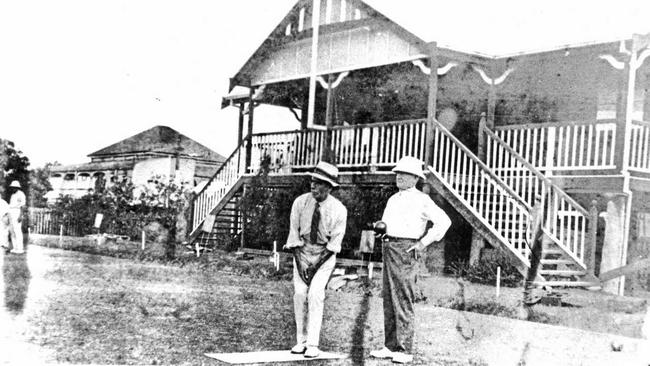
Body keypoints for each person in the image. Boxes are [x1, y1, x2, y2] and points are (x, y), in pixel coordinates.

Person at [370, 156, 451, 364]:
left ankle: (404, 350)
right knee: (388, 296)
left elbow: (444, 221)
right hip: (388, 247)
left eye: (404, 173)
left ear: (415, 178)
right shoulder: (393, 199)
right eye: (397, 172)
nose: (399, 176)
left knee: (403, 297)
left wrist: (423, 243)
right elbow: (387, 224)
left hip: (407, 249)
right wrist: (381, 231)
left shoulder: (422, 199)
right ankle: (390, 346)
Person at [284, 161, 347, 358]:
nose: (313, 186)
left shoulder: (338, 209)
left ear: (329, 187)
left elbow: (333, 246)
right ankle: (300, 341)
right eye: (312, 181)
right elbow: (293, 236)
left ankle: (313, 344)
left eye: (319, 182)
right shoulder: (300, 202)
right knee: (300, 294)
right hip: (302, 252)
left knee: (315, 294)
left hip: (324, 257)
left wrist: (314, 266)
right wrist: (301, 263)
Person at [8, 180, 26, 254]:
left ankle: (20, 249)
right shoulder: (13, 195)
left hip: (17, 212)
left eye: (14, 187)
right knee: (12, 231)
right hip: (11, 212)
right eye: (12, 187)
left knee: (17, 231)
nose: (13, 188)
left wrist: (20, 215)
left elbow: (22, 206)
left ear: (17, 187)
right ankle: (15, 248)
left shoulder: (21, 194)